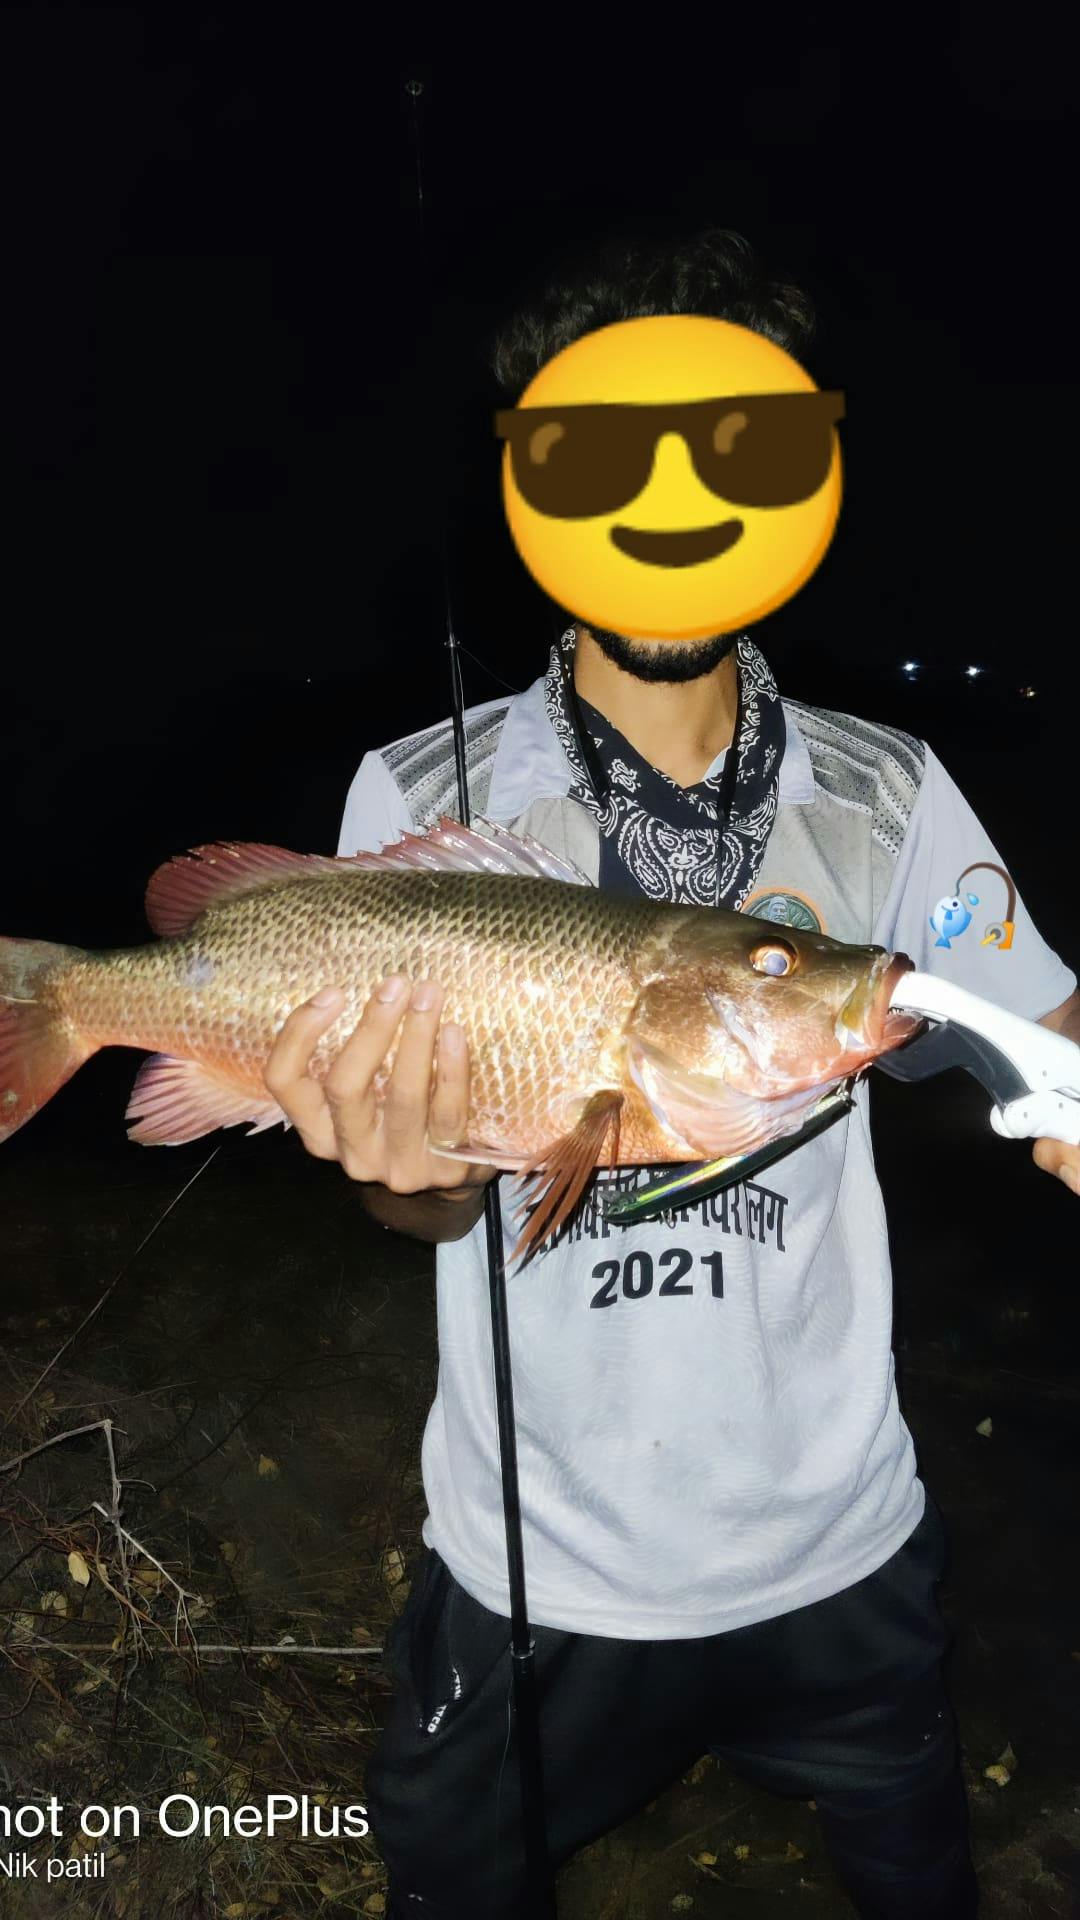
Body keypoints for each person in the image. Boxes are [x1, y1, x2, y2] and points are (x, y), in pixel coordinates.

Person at [263, 231, 1080, 1918]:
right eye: (595, 456)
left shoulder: (890, 792)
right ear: (529, 484)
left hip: (844, 1544)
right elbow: (421, 1206)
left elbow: (1039, 1033)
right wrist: (405, 1174)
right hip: (540, 1565)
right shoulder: (419, 794)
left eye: (738, 449)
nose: (670, 496)